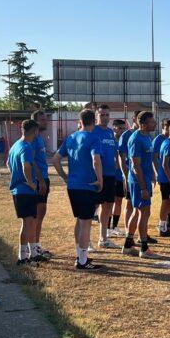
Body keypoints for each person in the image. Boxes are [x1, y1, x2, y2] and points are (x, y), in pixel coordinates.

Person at [58, 108, 105, 270]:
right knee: (85, 223)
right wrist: (100, 180)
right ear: (94, 121)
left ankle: (80, 255)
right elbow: (96, 160)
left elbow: (56, 159)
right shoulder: (93, 138)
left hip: (73, 186)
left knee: (79, 220)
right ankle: (82, 261)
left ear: (81, 121)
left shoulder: (71, 137)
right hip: (87, 186)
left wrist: (65, 177)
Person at [123, 111, 157, 258]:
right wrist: (143, 187)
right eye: (152, 121)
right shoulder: (136, 139)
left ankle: (127, 245)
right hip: (138, 181)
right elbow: (136, 166)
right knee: (144, 212)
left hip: (145, 180)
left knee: (138, 212)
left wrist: (152, 175)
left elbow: (147, 160)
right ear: (143, 124)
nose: (155, 123)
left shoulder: (147, 136)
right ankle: (144, 248)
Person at [7, 119, 42, 265]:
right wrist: (31, 182)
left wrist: (15, 176)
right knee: (27, 223)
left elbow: (8, 164)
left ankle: (33, 253)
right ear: (35, 131)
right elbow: (26, 166)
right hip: (25, 191)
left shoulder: (15, 145)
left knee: (32, 221)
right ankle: (22, 257)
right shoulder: (26, 147)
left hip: (21, 190)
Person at [90, 105, 123, 250]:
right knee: (92, 207)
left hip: (110, 175)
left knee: (108, 206)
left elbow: (115, 152)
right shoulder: (92, 131)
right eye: (102, 115)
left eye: (107, 115)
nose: (105, 117)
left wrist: (117, 166)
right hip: (97, 175)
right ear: (97, 116)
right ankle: (86, 241)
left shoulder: (110, 132)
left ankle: (103, 239)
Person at [26, 109, 56, 261]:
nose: (46, 122)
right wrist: (41, 181)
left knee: (41, 214)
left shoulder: (40, 138)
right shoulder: (32, 140)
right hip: (39, 180)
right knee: (36, 216)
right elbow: (31, 161)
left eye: (46, 119)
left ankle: (36, 245)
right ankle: (33, 249)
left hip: (44, 178)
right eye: (43, 120)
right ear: (35, 122)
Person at [151, 118, 170, 237]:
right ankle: (162, 225)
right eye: (166, 128)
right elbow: (154, 158)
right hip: (164, 176)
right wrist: (157, 173)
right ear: (163, 128)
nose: (168, 131)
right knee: (166, 200)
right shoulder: (159, 140)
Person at [118, 111, 139, 227]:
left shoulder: (145, 135)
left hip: (141, 175)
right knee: (130, 203)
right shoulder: (126, 135)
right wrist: (125, 176)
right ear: (134, 119)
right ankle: (128, 230)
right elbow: (121, 158)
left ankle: (139, 230)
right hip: (130, 175)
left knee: (141, 205)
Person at [109, 117, 128, 235]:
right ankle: (107, 228)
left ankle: (114, 227)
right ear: (114, 128)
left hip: (121, 176)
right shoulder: (111, 141)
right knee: (109, 203)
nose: (122, 130)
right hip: (112, 176)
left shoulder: (124, 140)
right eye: (120, 128)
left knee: (119, 201)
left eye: (123, 128)